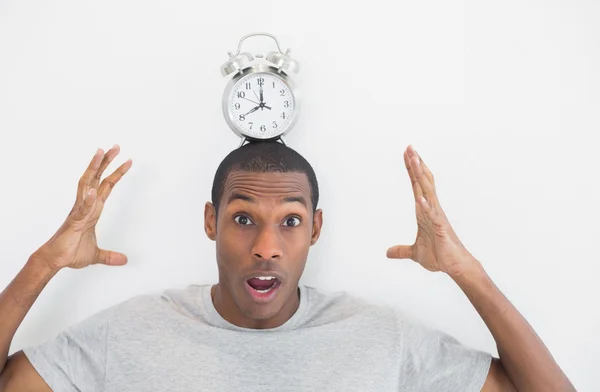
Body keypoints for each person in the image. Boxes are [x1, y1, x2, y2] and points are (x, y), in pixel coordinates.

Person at [0, 142, 574, 392]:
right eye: (244, 218)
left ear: (316, 230)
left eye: (291, 222)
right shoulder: (127, 334)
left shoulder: (382, 339)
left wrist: (465, 270)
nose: (267, 247)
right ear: (210, 222)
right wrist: (42, 263)